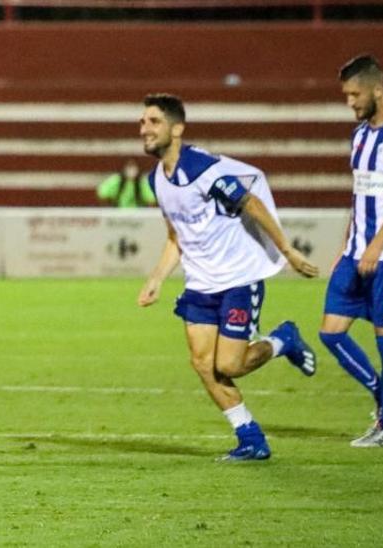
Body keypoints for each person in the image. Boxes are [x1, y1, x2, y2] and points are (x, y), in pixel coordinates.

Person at [135, 93, 320, 461]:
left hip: (238, 279)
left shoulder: (205, 170)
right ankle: (250, 438)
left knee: (230, 365)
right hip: (201, 284)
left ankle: (284, 340)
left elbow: (251, 203)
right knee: (203, 364)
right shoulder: (158, 180)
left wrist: (288, 251)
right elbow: (177, 235)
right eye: (143, 122)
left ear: (178, 128)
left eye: (154, 122)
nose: (145, 129)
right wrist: (157, 277)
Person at [318, 54, 383, 448]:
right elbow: (359, 194)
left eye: (354, 94)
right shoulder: (360, 135)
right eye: (346, 96)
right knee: (330, 333)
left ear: (377, 89)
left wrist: (377, 245)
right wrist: (348, 245)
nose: (350, 102)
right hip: (354, 253)